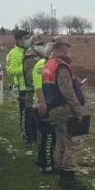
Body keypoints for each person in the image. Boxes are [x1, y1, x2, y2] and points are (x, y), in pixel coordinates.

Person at [38, 41, 87, 190]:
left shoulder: (48, 65)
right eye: (67, 49)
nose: (69, 52)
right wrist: (79, 111)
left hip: (54, 110)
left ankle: (61, 173)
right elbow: (67, 92)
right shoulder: (61, 66)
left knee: (61, 143)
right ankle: (68, 178)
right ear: (60, 49)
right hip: (64, 110)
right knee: (73, 143)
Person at [31, 41, 57, 175]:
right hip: (42, 105)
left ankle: (44, 160)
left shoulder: (47, 64)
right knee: (49, 136)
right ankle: (46, 164)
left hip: (45, 104)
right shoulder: (42, 65)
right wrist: (43, 103)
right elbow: (38, 86)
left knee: (48, 136)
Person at [6, 29, 32, 144]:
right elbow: (10, 70)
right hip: (22, 88)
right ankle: (26, 136)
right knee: (25, 113)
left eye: (28, 38)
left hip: (34, 87)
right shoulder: (13, 53)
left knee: (33, 114)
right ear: (17, 40)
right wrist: (24, 69)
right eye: (24, 39)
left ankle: (34, 136)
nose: (26, 41)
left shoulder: (30, 50)